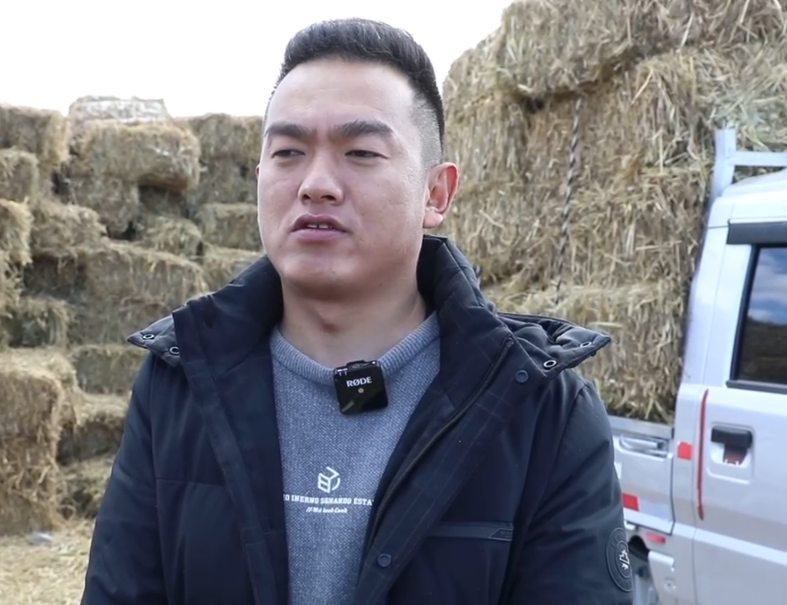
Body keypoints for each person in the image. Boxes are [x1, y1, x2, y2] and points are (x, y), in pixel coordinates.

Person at [80, 17, 633, 605]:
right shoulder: (179, 387)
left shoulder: (542, 411)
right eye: (288, 152)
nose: (316, 184)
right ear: (259, 180)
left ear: (436, 193)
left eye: (361, 152)